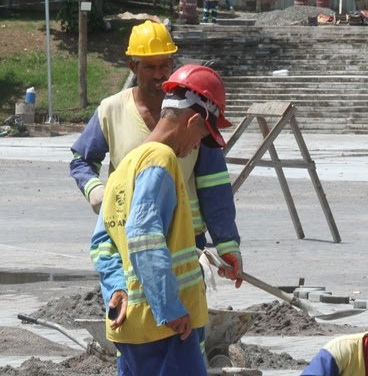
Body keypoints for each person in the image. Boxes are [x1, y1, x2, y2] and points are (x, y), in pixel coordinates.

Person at [90, 63, 245, 376]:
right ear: (196, 122)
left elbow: (101, 244)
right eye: (204, 136)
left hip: (128, 326)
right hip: (164, 326)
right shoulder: (160, 162)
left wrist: (115, 291)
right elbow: (144, 237)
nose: (197, 150)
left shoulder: (124, 168)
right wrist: (170, 307)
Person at [70, 19, 242, 285]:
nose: (160, 74)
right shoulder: (110, 110)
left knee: (181, 312)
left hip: (185, 239)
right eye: (150, 67)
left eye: (165, 65)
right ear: (133, 67)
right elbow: (82, 159)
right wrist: (95, 189)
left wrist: (227, 243)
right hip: (131, 236)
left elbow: (214, 184)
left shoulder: (193, 113)